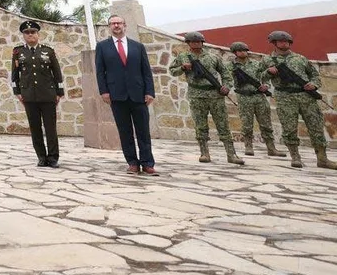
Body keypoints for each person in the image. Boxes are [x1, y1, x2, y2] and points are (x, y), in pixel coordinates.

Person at [261, 30, 337, 169]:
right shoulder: (267, 60)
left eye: (287, 41)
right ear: (274, 43)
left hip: (306, 96)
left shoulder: (301, 58)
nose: (285, 43)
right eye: (281, 41)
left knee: (316, 126)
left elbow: (314, 75)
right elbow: (259, 78)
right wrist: (268, 72)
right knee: (289, 128)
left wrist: (313, 84)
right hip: (285, 97)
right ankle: (295, 157)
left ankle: (322, 159)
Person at [95, 14, 157, 175]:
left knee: (143, 131)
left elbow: (146, 71)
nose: (116, 26)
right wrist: (104, 91)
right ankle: (132, 163)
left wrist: (150, 91)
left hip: (139, 94)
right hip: (117, 95)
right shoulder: (102, 47)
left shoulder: (138, 46)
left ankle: (147, 163)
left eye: (119, 23)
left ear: (125, 25)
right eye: (113, 23)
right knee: (125, 131)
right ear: (109, 27)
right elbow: (100, 72)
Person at [168, 31, 243, 165]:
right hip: (197, 95)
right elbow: (173, 71)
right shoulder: (183, 57)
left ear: (202, 43)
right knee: (200, 125)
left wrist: (226, 86)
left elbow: (226, 73)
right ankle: (204, 153)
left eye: (199, 41)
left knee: (223, 125)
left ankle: (231, 154)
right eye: (193, 42)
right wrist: (183, 68)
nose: (196, 44)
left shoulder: (213, 57)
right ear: (188, 43)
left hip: (215, 95)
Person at [11, 20, 64, 167]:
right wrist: (17, 92)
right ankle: (41, 156)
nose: (30, 35)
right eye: (27, 33)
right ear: (23, 35)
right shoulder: (18, 52)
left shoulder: (48, 51)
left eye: (33, 32)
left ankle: (53, 158)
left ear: (38, 34)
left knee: (50, 128)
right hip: (29, 96)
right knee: (35, 128)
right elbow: (15, 75)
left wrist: (59, 92)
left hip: (48, 95)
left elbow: (57, 73)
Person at [228, 41, 284, 158]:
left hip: (259, 96)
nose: (243, 52)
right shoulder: (231, 66)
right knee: (246, 123)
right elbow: (226, 77)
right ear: (235, 53)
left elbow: (265, 76)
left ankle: (271, 148)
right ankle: (248, 146)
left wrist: (266, 85)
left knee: (266, 123)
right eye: (240, 51)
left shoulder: (256, 64)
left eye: (245, 50)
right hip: (244, 96)